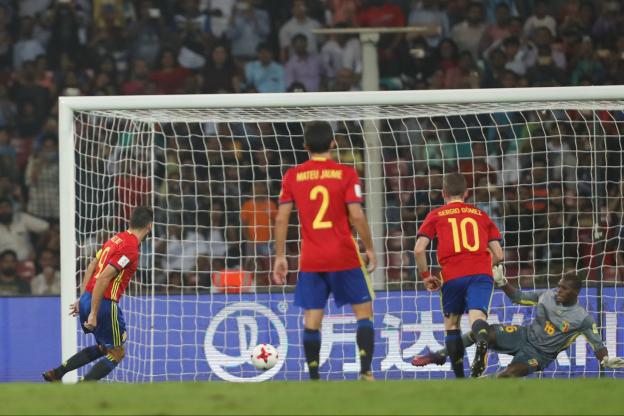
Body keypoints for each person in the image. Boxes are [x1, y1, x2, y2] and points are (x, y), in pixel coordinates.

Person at [273, 121, 377, 381]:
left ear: (305, 146)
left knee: (312, 318)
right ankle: (365, 371)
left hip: (312, 259)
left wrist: (280, 255)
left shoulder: (292, 176)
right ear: (333, 143)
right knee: (363, 313)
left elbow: (281, 219)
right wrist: (370, 248)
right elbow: (356, 215)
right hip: (344, 255)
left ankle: (314, 375)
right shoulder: (346, 173)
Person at [412, 269, 624, 377]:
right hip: (523, 335)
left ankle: (483, 385)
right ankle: (439, 355)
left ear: (575, 293)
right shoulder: (547, 295)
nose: (558, 290)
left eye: (564, 289)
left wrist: (605, 360)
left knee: (509, 375)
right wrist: (503, 283)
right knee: (484, 332)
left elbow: (598, 344)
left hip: (540, 355)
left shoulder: (582, 318)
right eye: (558, 286)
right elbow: (518, 297)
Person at [43, 206, 153, 382]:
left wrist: (82, 298)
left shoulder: (115, 239)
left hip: (88, 297)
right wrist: (93, 313)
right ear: (149, 225)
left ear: (131, 222)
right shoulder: (130, 247)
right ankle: (85, 387)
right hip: (103, 303)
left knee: (103, 347)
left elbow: (92, 265)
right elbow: (104, 277)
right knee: (117, 352)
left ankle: (57, 373)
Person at [414, 172, 503, 378]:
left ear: (443, 193)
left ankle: (460, 378)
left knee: (452, 324)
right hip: (480, 274)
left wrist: (427, 276)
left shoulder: (436, 214)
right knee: (477, 318)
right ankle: (482, 341)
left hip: (452, 275)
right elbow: (498, 254)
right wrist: (481, 264)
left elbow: (419, 249)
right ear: (467, 193)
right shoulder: (481, 215)